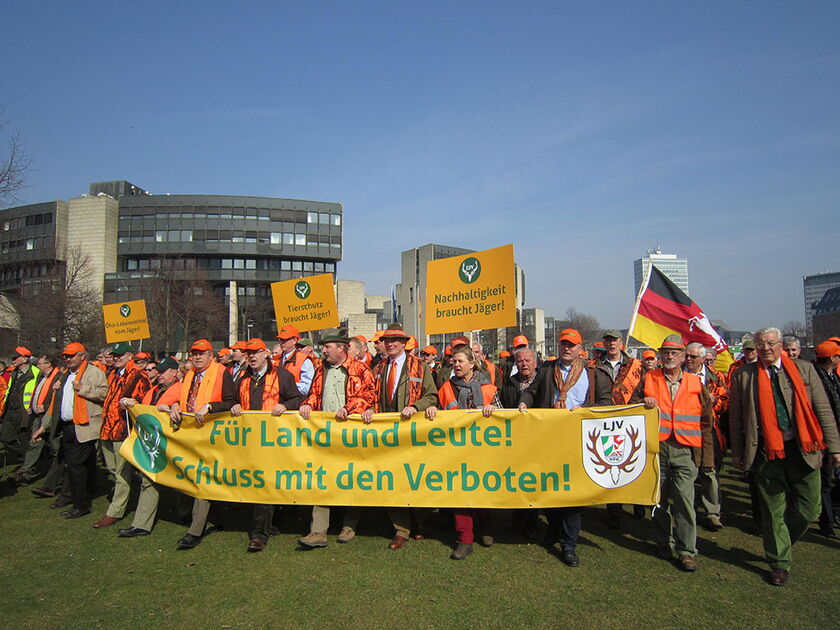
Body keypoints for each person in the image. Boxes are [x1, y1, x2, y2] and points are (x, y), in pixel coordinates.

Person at [730, 327, 840, 586]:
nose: (765, 348)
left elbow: (823, 408)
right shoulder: (744, 375)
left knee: (809, 508)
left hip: (804, 450)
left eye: (770, 343)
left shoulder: (804, 370)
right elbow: (736, 417)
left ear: (780, 345)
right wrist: (737, 452)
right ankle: (779, 562)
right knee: (772, 510)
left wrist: (834, 446)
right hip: (765, 452)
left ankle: (782, 541)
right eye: (760, 344)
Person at [519, 329, 611, 567]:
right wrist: (523, 402)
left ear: (580, 349)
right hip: (550, 440)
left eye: (572, 345)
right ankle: (555, 528)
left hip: (579, 440)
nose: (567, 348)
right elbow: (531, 391)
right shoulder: (548, 370)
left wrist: (583, 414)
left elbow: (605, 402)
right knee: (550, 488)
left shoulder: (594, 374)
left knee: (573, 493)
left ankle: (569, 544)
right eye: (563, 344)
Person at [631, 335, 714, 572]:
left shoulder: (696, 383)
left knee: (685, 502)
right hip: (657, 449)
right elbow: (633, 405)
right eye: (665, 352)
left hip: (685, 450)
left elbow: (706, 420)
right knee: (658, 500)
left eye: (674, 353)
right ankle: (662, 541)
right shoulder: (649, 379)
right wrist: (641, 401)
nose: (669, 357)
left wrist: (706, 456)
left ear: (682, 357)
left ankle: (687, 550)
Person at [297, 332, 376, 548]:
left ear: (342, 348)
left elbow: (370, 395)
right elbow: (315, 394)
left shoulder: (360, 370)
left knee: (349, 479)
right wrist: (308, 404)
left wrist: (348, 409)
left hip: (350, 435)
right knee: (322, 479)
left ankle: (349, 526)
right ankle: (318, 530)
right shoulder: (320, 370)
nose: (323, 351)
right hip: (325, 434)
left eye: (327, 347)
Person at [363, 325, 438, 549]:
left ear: (404, 343)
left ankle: (421, 522)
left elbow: (432, 396)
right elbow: (370, 394)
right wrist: (368, 408)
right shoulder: (379, 367)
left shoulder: (420, 366)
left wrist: (416, 406)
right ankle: (401, 529)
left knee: (414, 480)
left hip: (412, 435)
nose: (390, 344)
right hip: (387, 436)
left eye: (395, 340)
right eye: (387, 340)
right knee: (392, 481)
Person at [426, 345, 499, 560]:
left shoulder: (488, 389)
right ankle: (465, 539)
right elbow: (439, 411)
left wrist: (495, 412)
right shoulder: (446, 387)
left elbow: (504, 418)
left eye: (460, 362)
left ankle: (485, 528)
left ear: (471, 363)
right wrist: (433, 410)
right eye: (454, 362)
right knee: (459, 493)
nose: (455, 365)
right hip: (455, 451)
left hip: (482, 449)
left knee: (483, 490)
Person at [230, 338, 302, 552]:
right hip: (249, 440)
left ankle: (259, 533)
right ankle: (268, 525)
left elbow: (298, 398)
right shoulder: (242, 378)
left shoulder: (281, 375)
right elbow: (232, 399)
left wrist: (284, 405)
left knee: (264, 485)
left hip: (274, 440)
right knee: (260, 484)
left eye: (255, 353)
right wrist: (234, 405)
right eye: (248, 353)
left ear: (266, 354)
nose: (251, 357)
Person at [163, 339, 236, 549]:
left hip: (213, 435)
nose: (197, 357)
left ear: (211, 356)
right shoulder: (190, 375)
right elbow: (179, 397)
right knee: (195, 477)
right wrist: (175, 404)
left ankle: (195, 529)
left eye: (201, 353)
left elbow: (232, 401)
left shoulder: (222, 373)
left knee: (202, 480)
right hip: (192, 434)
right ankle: (212, 520)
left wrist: (211, 406)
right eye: (194, 353)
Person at [34, 343, 108, 519]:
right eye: (65, 356)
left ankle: (80, 505)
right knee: (80, 464)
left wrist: (83, 388)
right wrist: (44, 426)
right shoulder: (65, 375)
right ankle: (81, 495)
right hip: (67, 426)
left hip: (85, 426)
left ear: (82, 356)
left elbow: (105, 394)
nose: (67, 359)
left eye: (71, 356)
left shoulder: (94, 372)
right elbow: (56, 404)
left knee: (75, 466)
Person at [117, 357, 183, 537]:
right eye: (158, 371)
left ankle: (184, 514)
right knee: (149, 480)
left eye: (163, 371)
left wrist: (173, 406)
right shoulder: (154, 390)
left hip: (173, 444)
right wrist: (134, 405)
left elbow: (185, 411)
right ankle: (141, 524)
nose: (159, 375)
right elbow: (147, 410)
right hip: (154, 443)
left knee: (179, 482)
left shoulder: (181, 389)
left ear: (174, 373)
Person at [94, 342, 151, 529]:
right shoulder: (112, 374)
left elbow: (145, 401)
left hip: (122, 430)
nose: (116, 358)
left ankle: (115, 511)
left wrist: (135, 402)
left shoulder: (138, 376)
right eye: (114, 355)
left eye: (119, 355)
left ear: (129, 356)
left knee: (120, 472)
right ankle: (130, 496)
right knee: (113, 469)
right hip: (107, 429)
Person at [599, 330, 645, 529]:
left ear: (620, 343)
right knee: (612, 463)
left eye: (615, 340)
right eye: (608, 341)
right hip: (605, 423)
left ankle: (639, 505)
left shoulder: (636, 366)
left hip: (632, 421)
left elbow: (645, 388)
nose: (612, 344)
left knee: (634, 462)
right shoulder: (595, 366)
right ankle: (614, 511)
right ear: (604, 343)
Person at [683, 342, 729, 532]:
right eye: (687, 356)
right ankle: (688, 509)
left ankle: (712, 513)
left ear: (702, 358)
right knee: (688, 471)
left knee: (709, 471)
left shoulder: (715, 377)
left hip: (709, 430)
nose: (689, 360)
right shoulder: (678, 375)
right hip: (684, 428)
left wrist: (714, 402)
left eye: (693, 357)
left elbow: (725, 400)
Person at [13, 355, 62, 488]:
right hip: (37, 416)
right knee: (34, 442)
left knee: (56, 446)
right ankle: (25, 473)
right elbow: (37, 393)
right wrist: (31, 407)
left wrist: (45, 407)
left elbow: (57, 398)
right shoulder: (41, 377)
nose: (38, 366)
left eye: (40, 364)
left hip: (50, 416)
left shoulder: (58, 377)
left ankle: (61, 474)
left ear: (49, 364)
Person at [812, 340, 840, 537]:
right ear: (832, 358)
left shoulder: (833, 378)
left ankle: (832, 514)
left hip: (835, 433)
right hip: (822, 436)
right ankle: (827, 521)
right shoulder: (817, 380)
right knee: (825, 480)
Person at [1, 346, 40, 466]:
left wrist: (33, 407)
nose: (13, 360)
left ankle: (27, 464)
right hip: (10, 410)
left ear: (24, 359)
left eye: (15, 358)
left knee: (24, 439)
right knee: (5, 437)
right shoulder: (14, 372)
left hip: (25, 412)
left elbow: (39, 391)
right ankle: (24, 457)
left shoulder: (35, 373)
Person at [276, 324, 315, 397]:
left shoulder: (304, 361)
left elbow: (308, 388)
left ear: (294, 341)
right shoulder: (275, 360)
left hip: (295, 403)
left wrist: (286, 386)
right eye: (280, 339)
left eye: (285, 339)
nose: (281, 342)